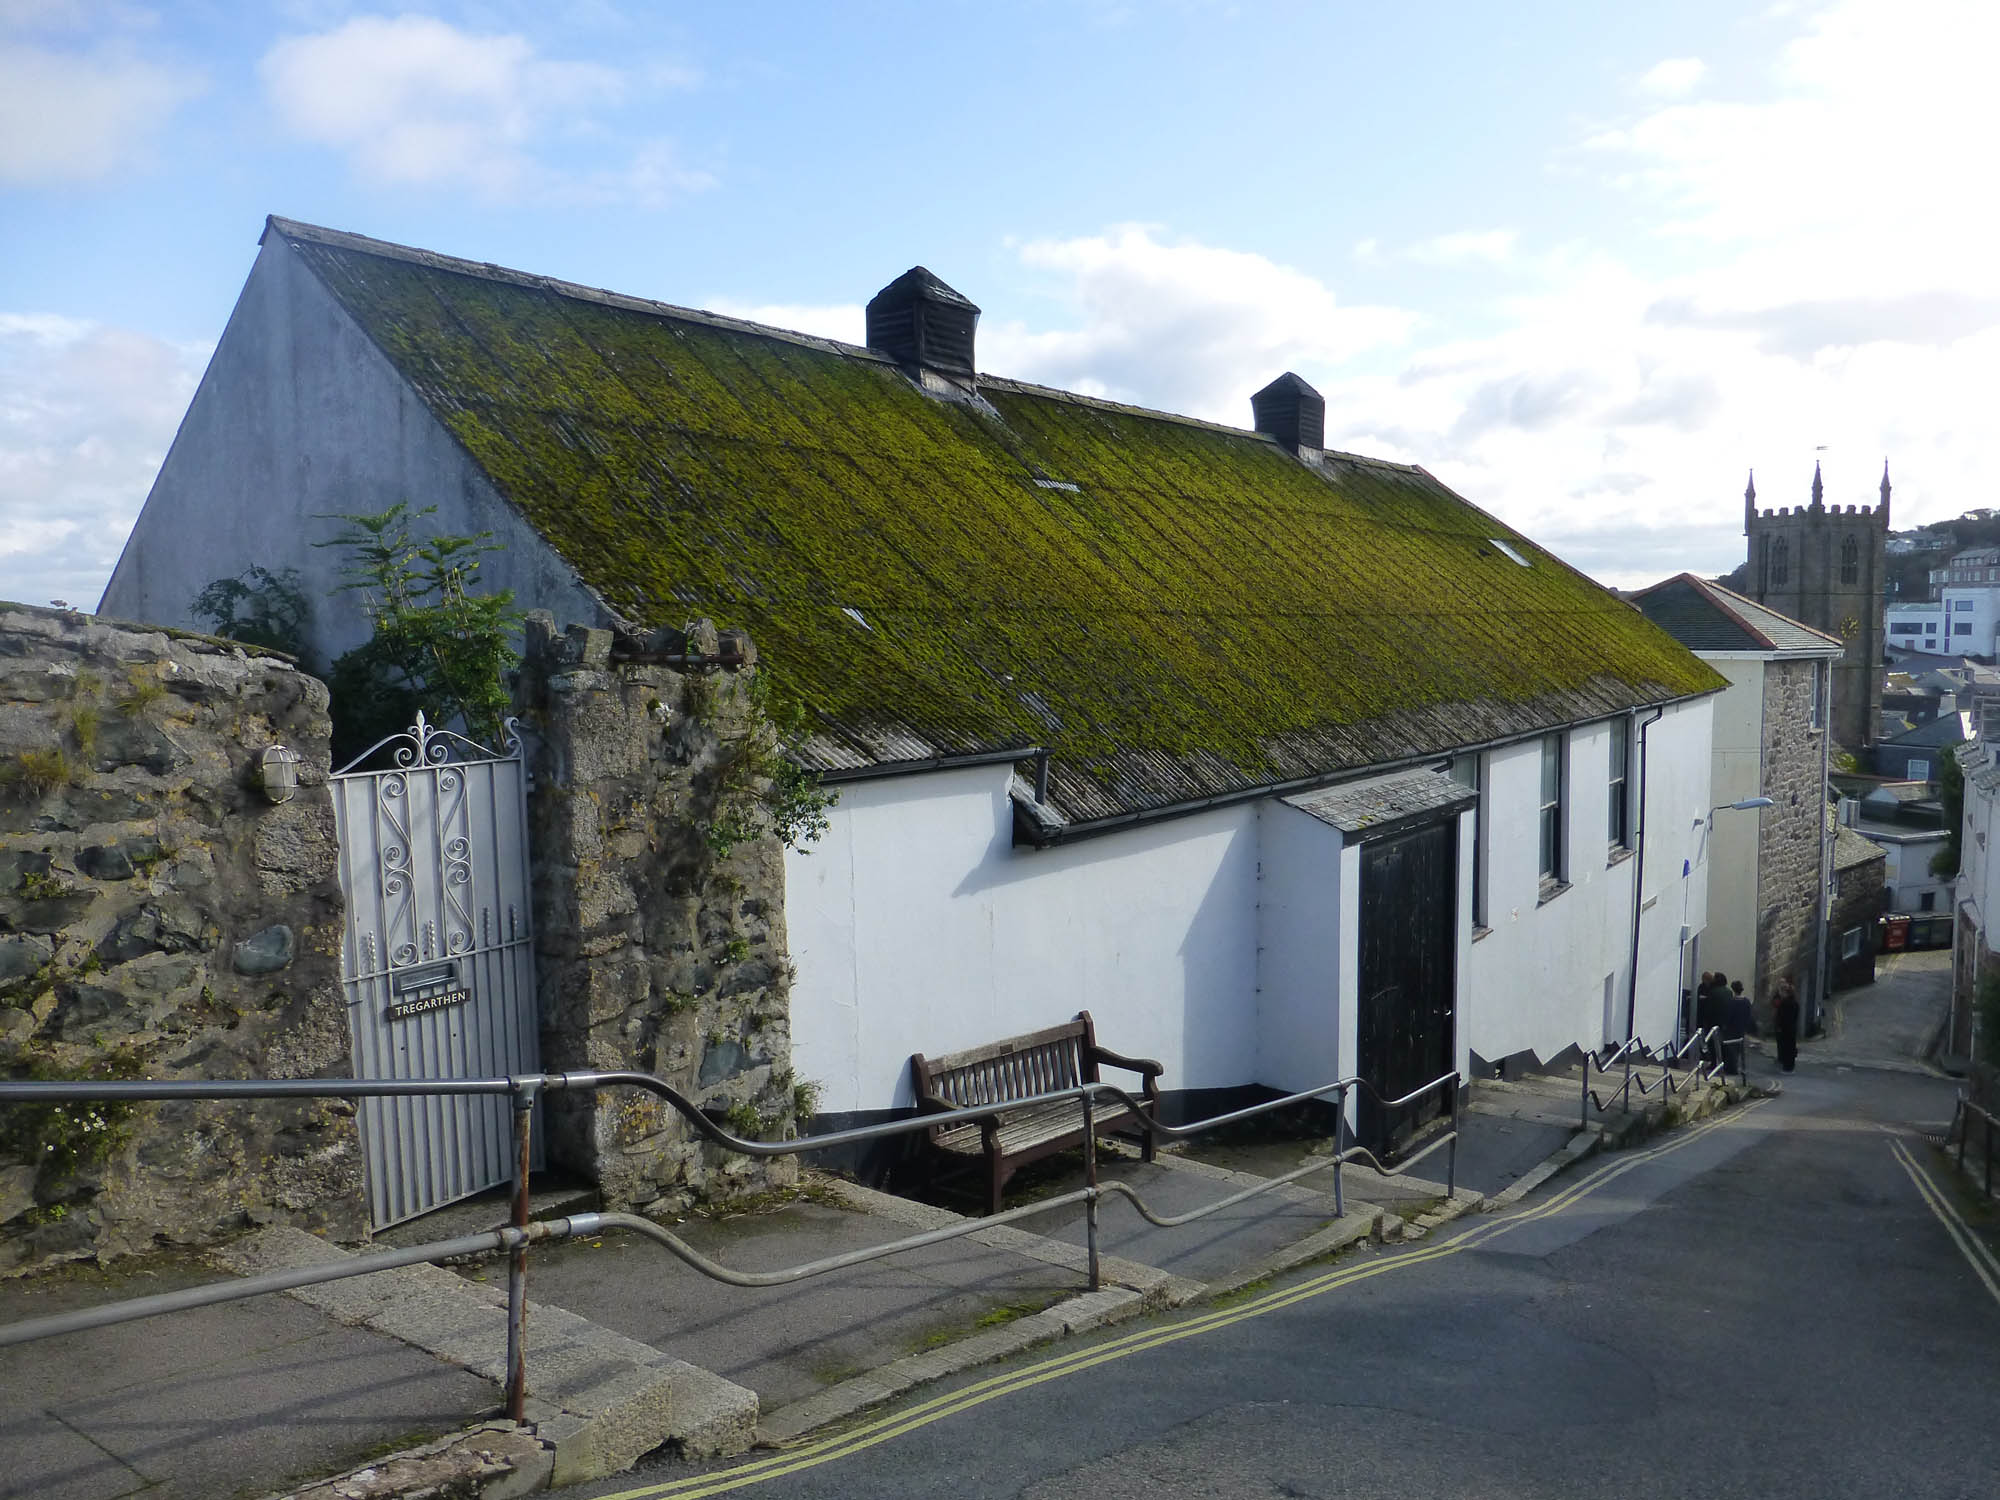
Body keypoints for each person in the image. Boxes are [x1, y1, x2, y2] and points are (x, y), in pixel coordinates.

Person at [1721, 976, 1756, 1078]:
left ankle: (1732, 1068)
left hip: (1731, 1027)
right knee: (1738, 1047)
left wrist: (1725, 1025)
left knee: (1731, 1047)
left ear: (1733, 989)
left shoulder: (1731, 1001)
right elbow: (1749, 1015)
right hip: (1741, 1027)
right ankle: (1735, 1066)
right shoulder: (1747, 1001)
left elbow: (1728, 1015)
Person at [1772, 974, 1801, 1073]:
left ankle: (1787, 1067)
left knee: (1786, 1047)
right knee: (1790, 1046)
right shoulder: (1795, 1003)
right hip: (1792, 1028)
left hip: (1785, 1028)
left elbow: (1781, 1016)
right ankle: (1790, 1066)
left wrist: (1779, 1026)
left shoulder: (1785, 1003)